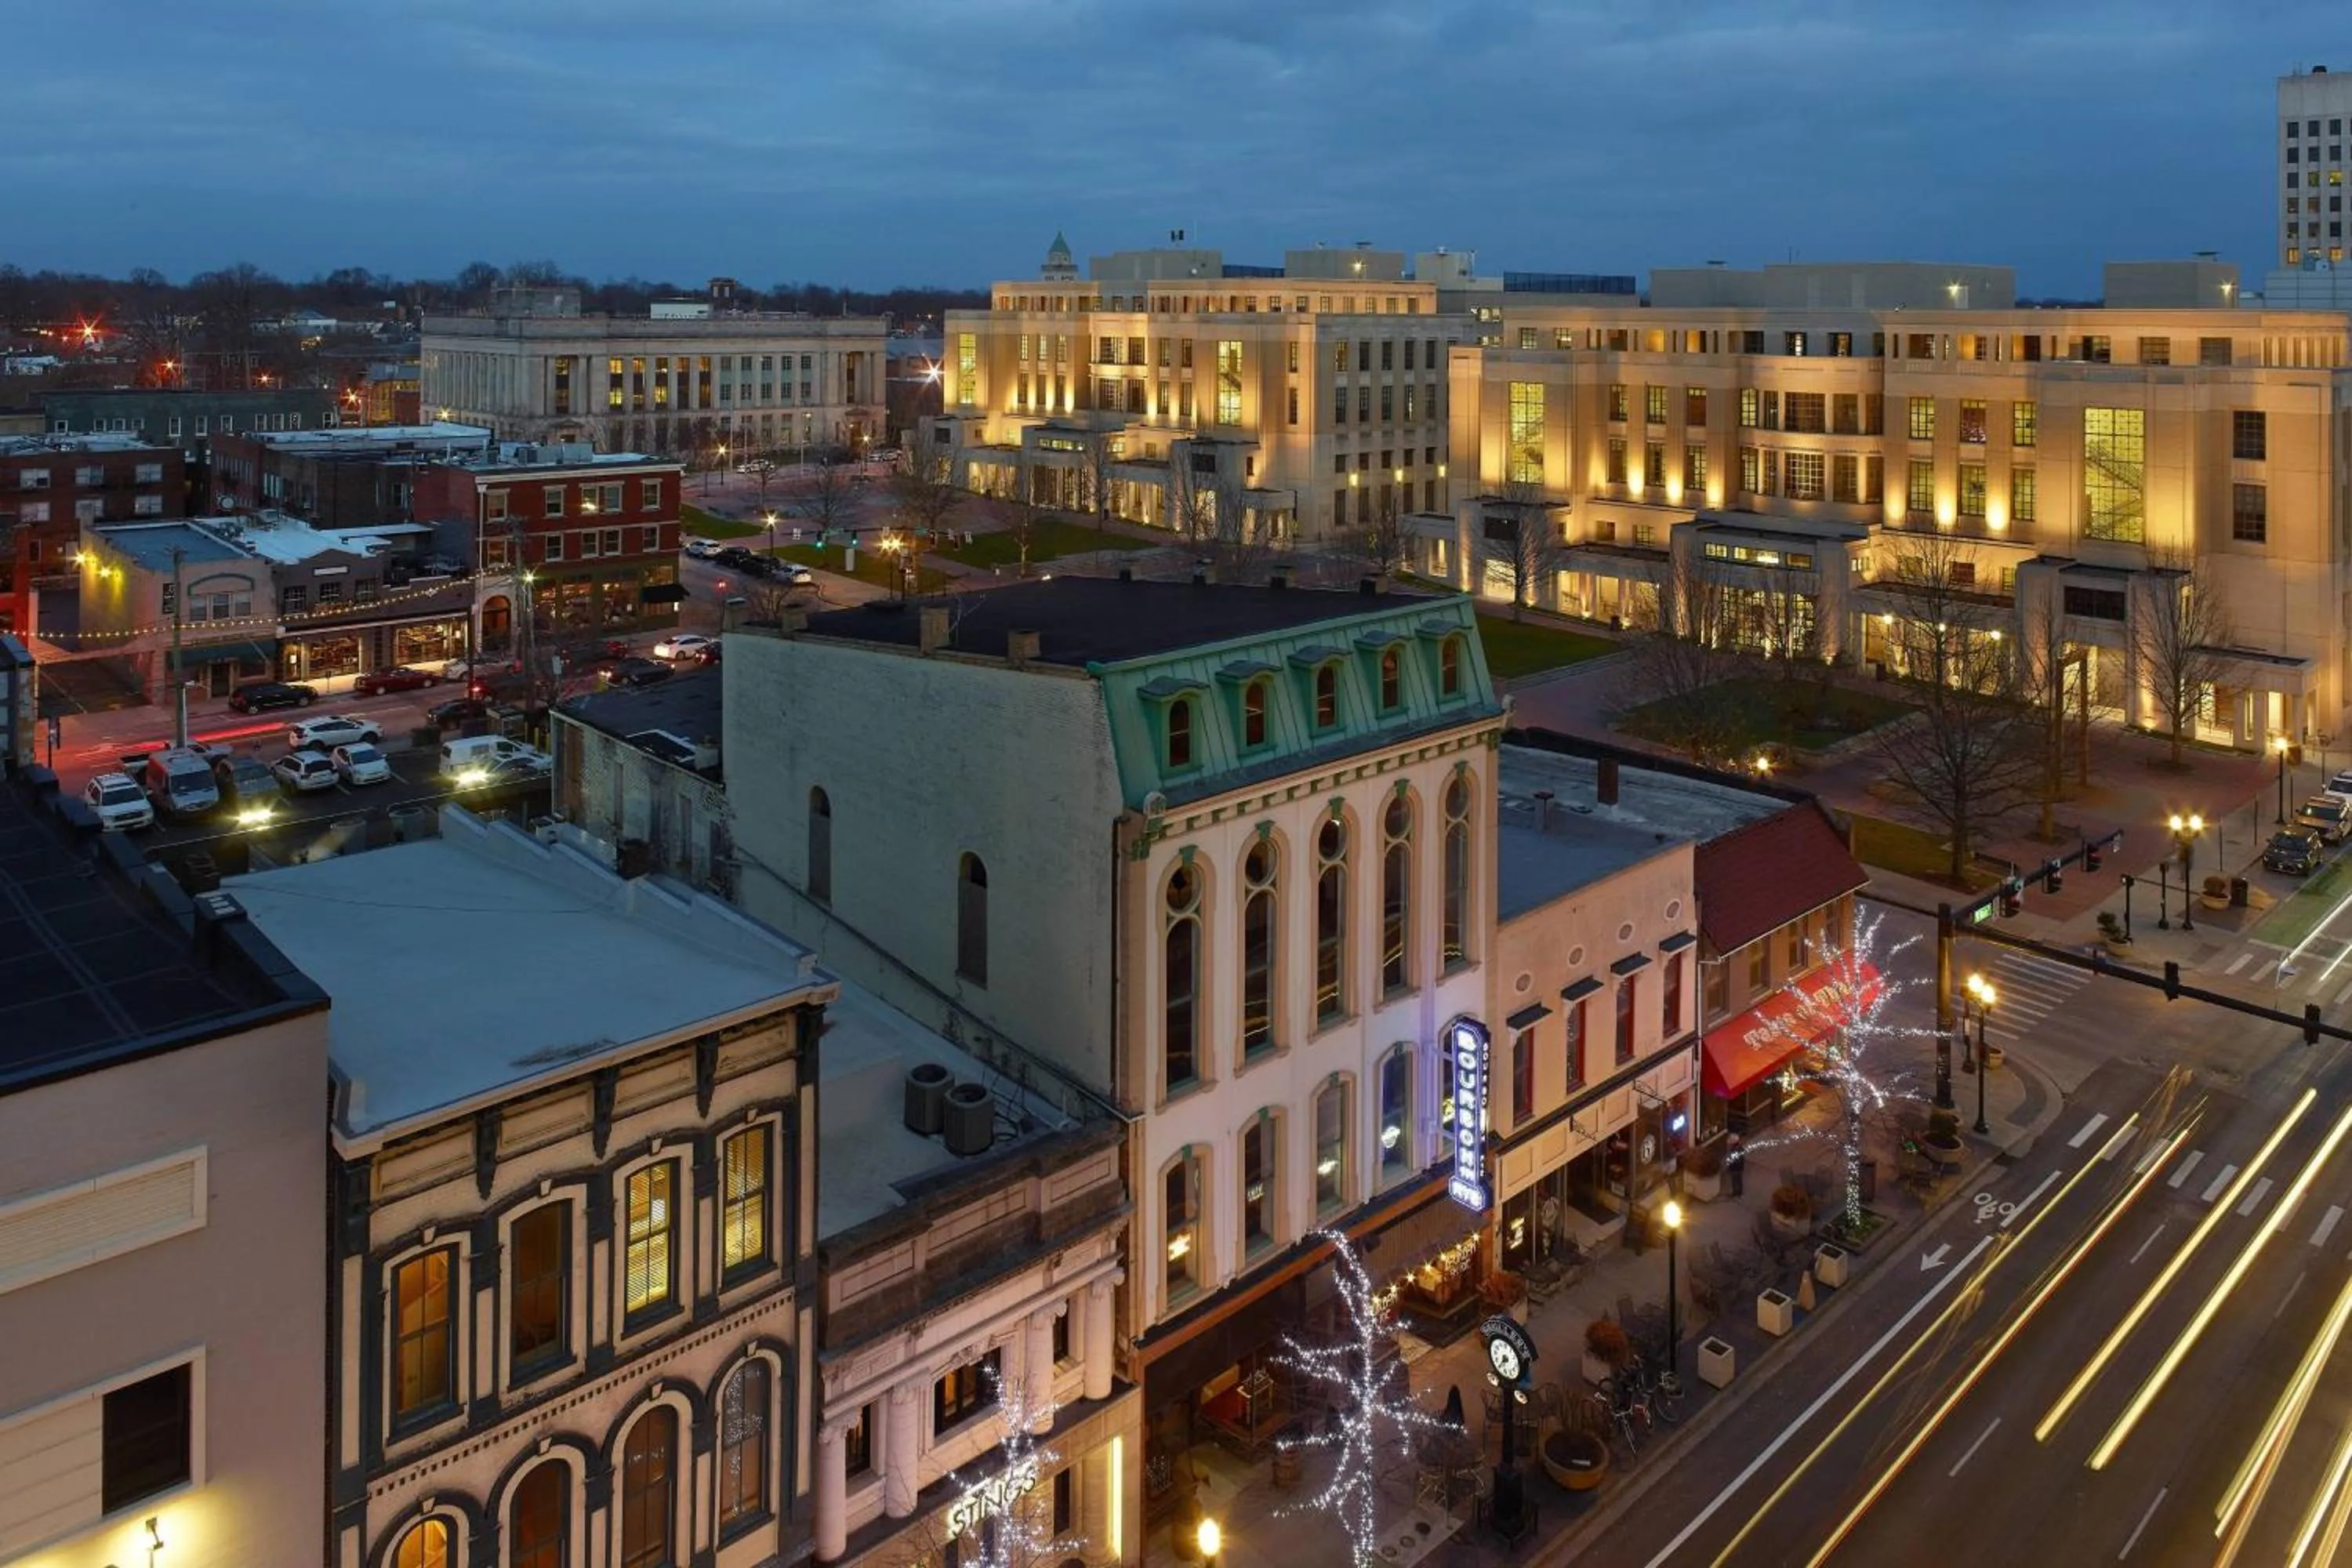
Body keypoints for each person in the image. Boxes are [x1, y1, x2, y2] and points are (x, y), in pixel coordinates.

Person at [1727, 1131, 1746, 1197]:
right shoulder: (1740, 1148)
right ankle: (1739, 1192)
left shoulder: (1735, 1150)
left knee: (1735, 1181)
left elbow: (1735, 1160)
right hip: (1739, 1168)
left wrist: (1730, 1164)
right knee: (1739, 1180)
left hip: (1735, 1168)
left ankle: (1736, 1193)